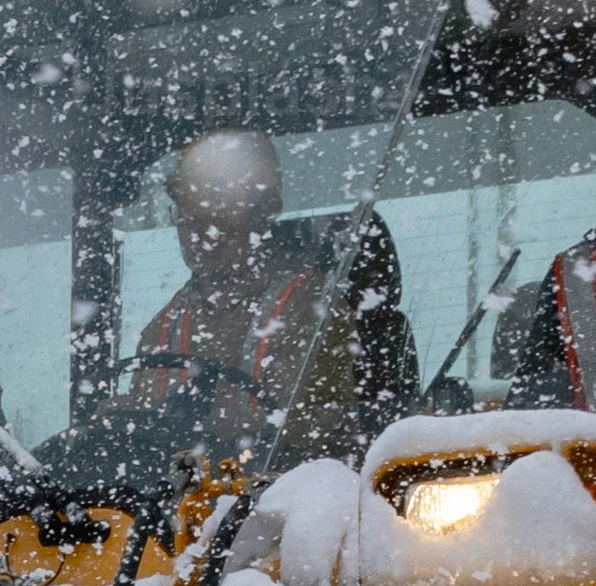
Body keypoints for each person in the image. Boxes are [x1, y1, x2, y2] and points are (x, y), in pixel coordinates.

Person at [114, 128, 418, 469]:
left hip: (281, 507)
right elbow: (148, 450)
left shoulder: (312, 305)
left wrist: (208, 429)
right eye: (187, 212)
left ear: (264, 209)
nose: (198, 227)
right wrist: (125, 421)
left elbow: (326, 431)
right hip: (173, 514)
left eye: (217, 207)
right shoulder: (161, 328)